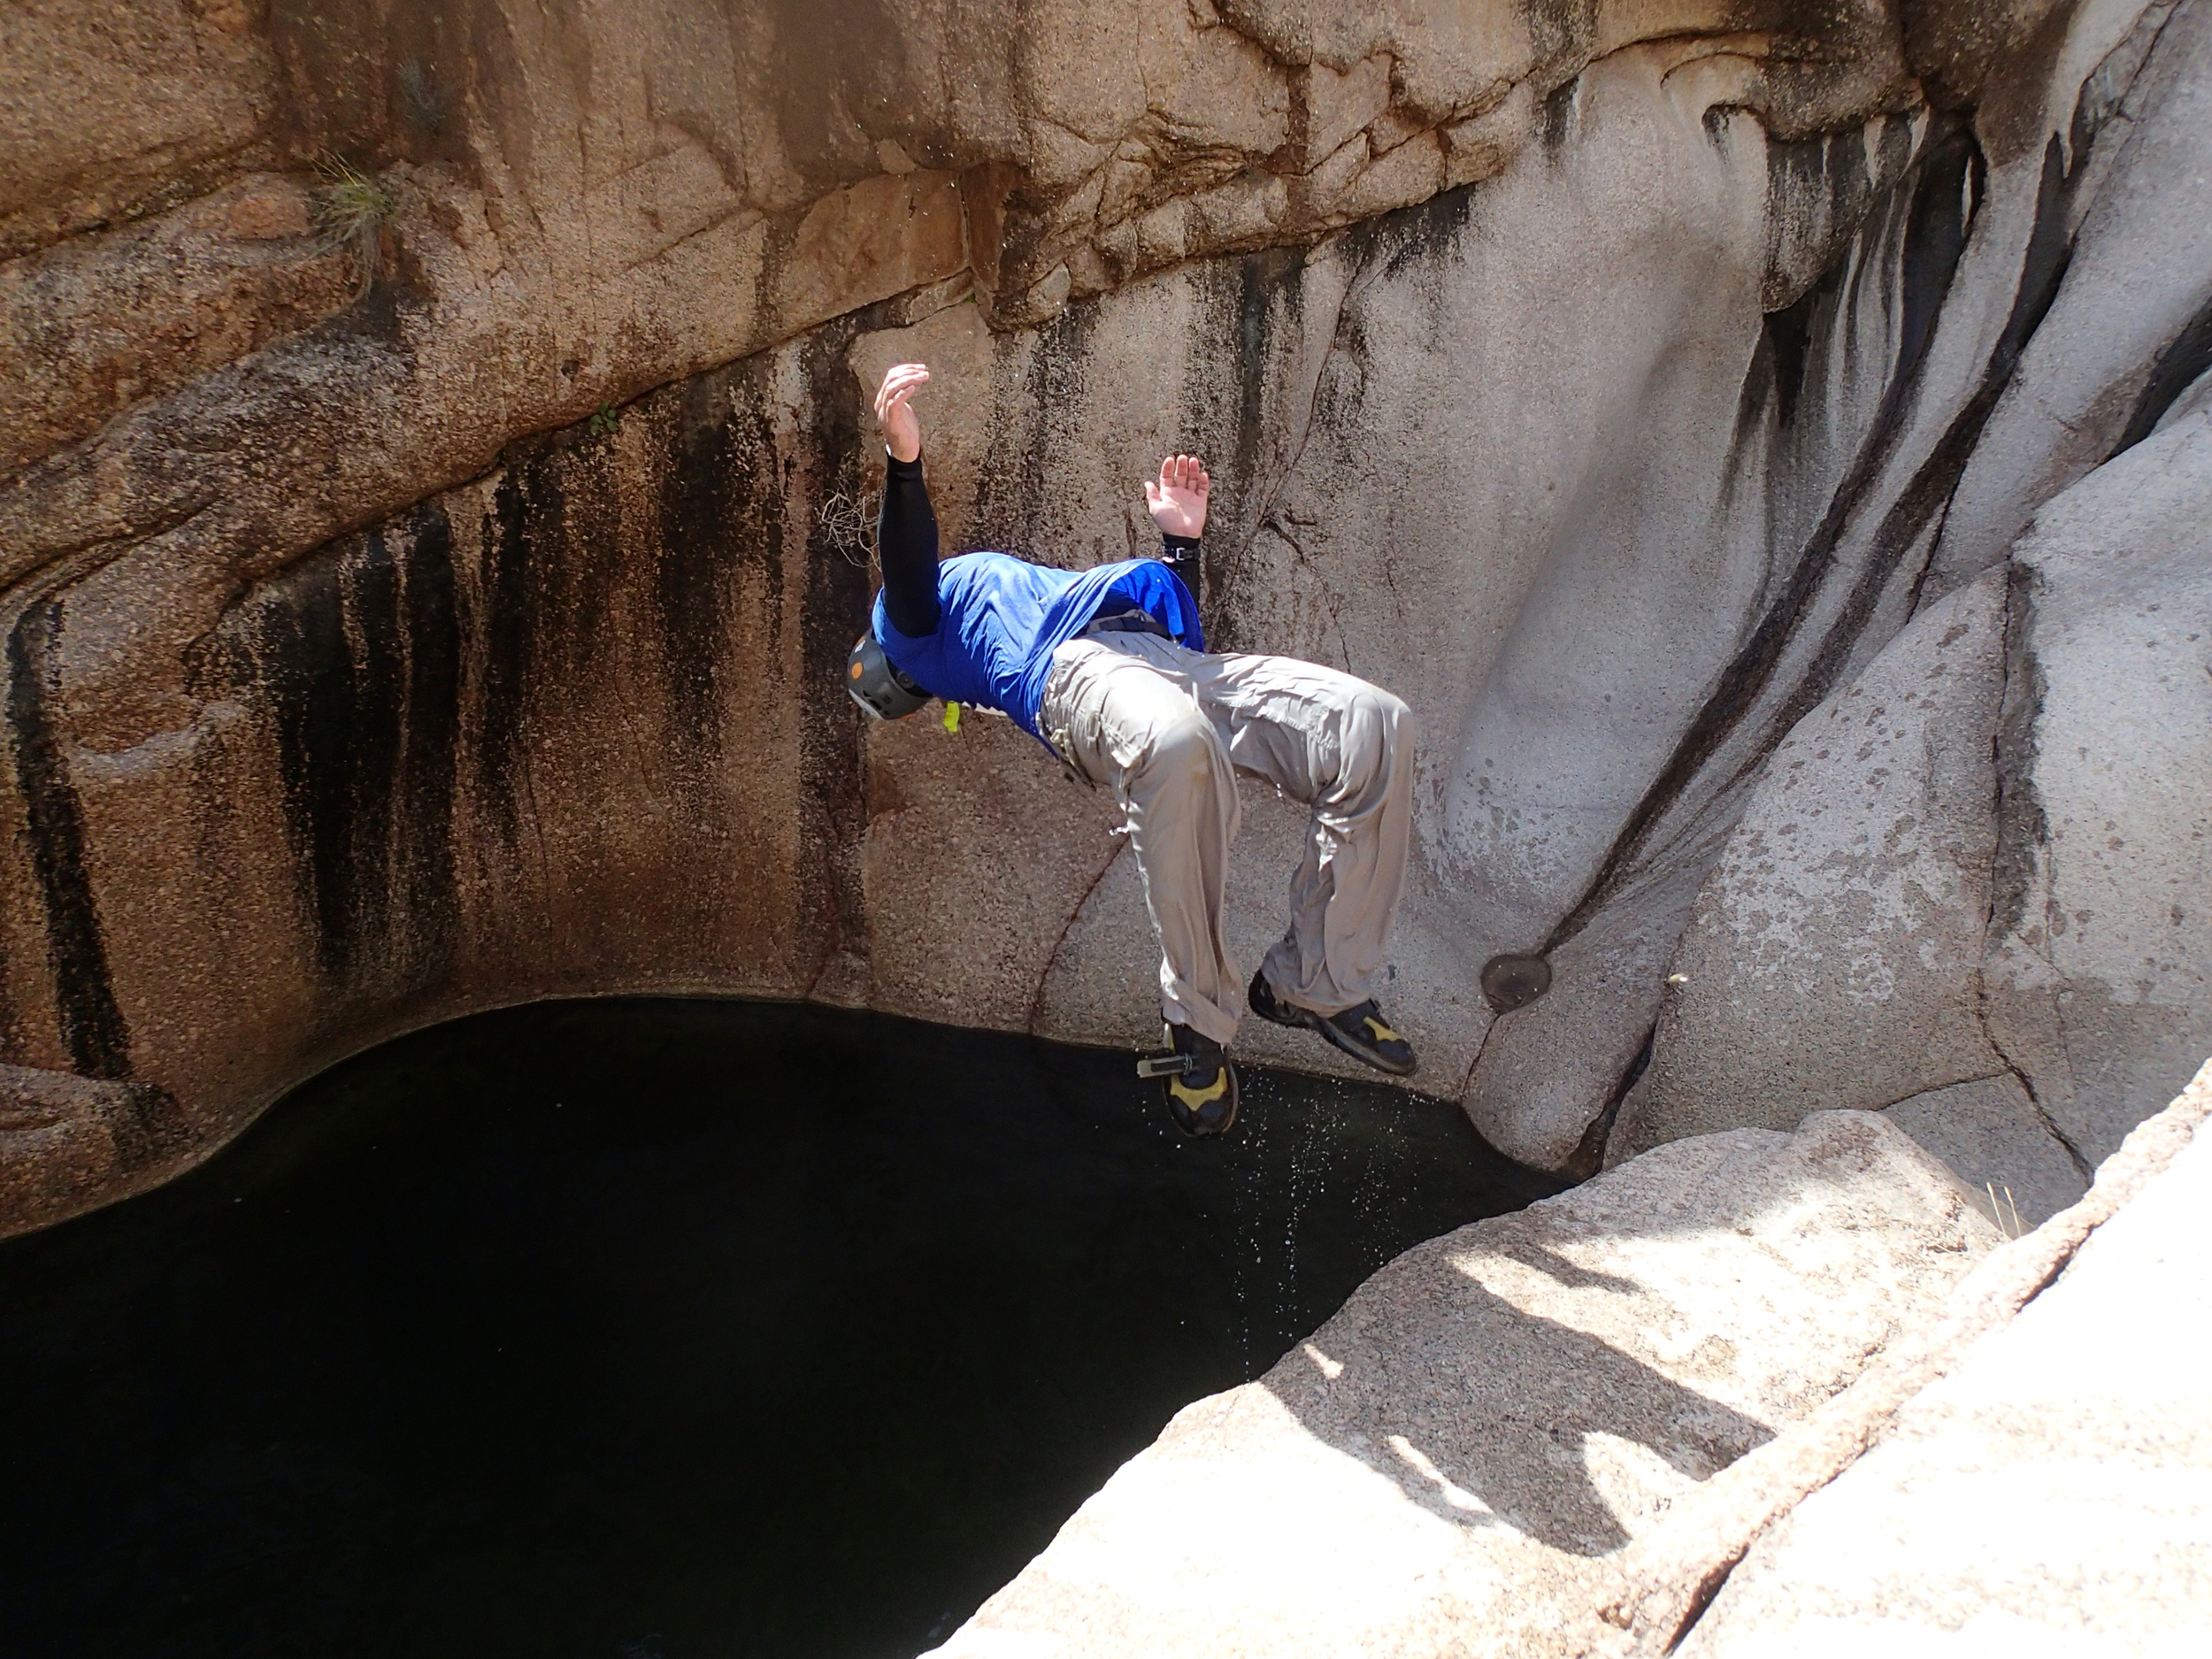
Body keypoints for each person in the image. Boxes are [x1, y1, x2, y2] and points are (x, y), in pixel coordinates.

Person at [847, 362, 1417, 1136]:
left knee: (1373, 723)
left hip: (1158, 660)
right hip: (1069, 677)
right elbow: (909, 564)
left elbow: (1161, 635)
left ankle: (1317, 979)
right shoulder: (913, 630)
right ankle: (1196, 1023)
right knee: (1176, 744)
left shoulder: (1001, 594)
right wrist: (904, 464)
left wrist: (1179, 547)